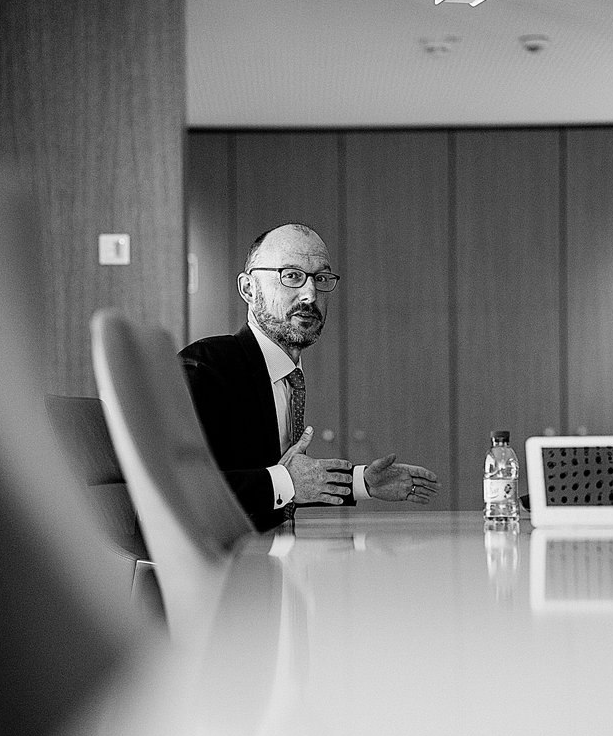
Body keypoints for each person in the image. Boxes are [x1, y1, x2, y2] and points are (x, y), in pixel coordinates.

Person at [179, 223, 439, 531]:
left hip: (274, 558)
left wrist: (362, 482)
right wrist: (286, 481)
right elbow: (183, 489)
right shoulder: (205, 366)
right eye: (291, 276)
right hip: (226, 569)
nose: (310, 293)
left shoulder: (287, 374)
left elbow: (278, 482)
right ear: (248, 288)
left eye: (321, 277)